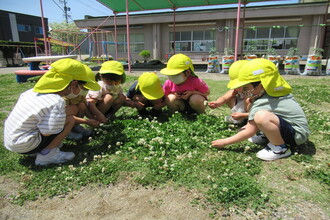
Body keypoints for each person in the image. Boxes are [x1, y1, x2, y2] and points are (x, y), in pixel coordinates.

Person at [4, 58, 99, 166]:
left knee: (64, 118)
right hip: (25, 144)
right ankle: (47, 155)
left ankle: (37, 150)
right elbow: (47, 132)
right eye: (81, 87)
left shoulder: (29, 92)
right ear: (74, 84)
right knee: (69, 120)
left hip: (12, 142)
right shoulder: (56, 101)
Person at [211, 58, 310, 161]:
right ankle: (268, 136)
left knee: (261, 116)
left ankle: (280, 148)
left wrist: (224, 142)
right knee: (261, 116)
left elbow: (249, 131)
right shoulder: (274, 93)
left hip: (297, 135)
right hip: (292, 129)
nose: (244, 92)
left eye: (246, 88)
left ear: (262, 86)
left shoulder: (261, 102)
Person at [63, 65, 101, 140]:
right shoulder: (63, 98)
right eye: (84, 88)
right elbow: (64, 117)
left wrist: (92, 118)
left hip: (70, 118)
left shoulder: (79, 95)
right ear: (74, 84)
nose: (85, 91)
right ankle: (66, 131)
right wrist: (86, 121)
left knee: (82, 105)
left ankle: (75, 127)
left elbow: (85, 109)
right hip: (61, 122)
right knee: (73, 109)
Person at [208, 60, 251, 124]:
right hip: (241, 108)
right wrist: (217, 103)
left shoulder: (255, 93)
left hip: (252, 112)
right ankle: (239, 117)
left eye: (238, 85)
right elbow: (225, 97)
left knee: (248, 99)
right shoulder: (237, 89)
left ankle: (247, 119)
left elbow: (259, 112)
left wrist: (244, 115)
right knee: (230, 98)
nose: (236, 87)